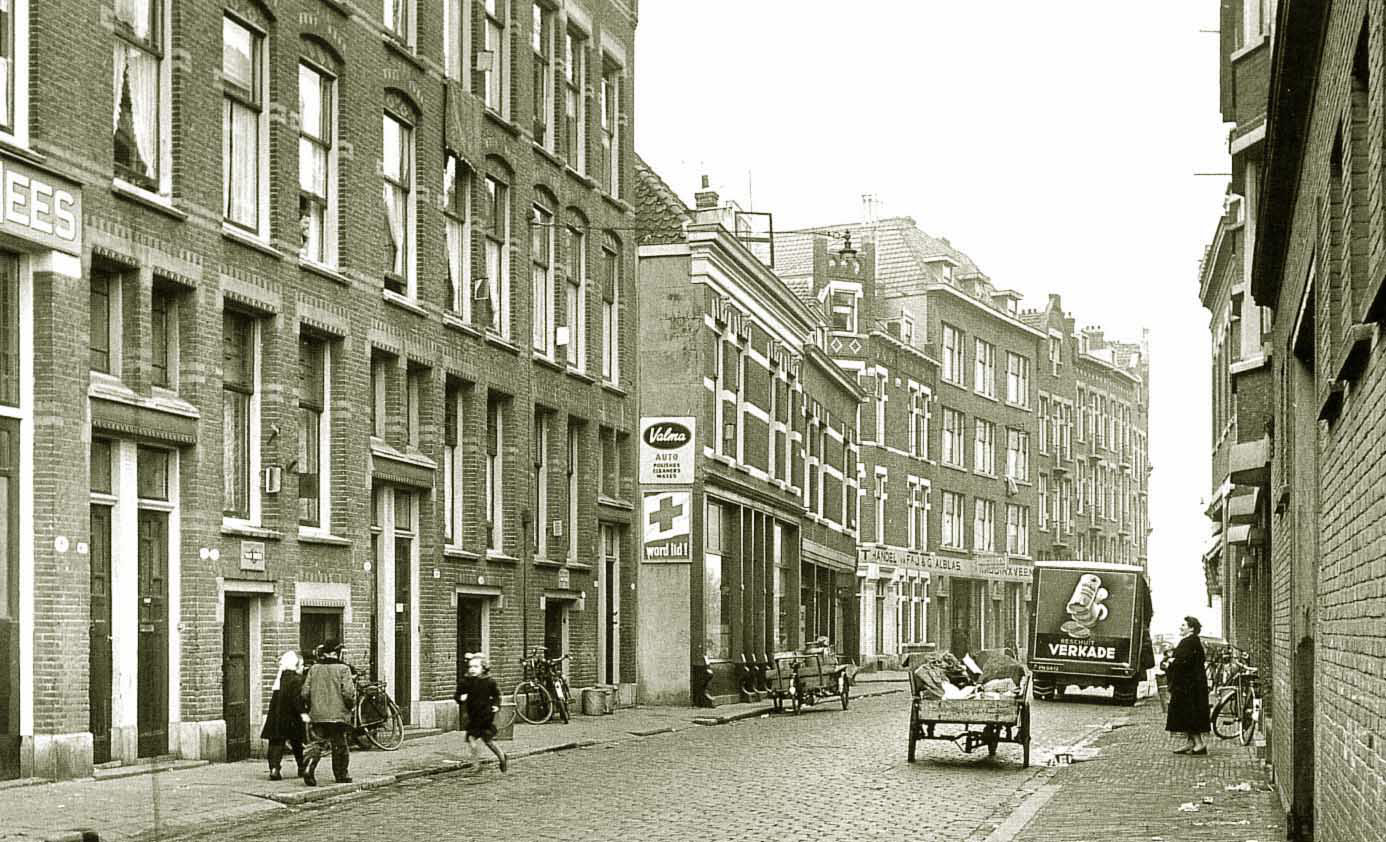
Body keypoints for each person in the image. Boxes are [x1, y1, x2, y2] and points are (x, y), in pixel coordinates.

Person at [299, 639, 356, 786]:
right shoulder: (343, 669)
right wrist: (350, 706)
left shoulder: (314, 668)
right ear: (337, 653)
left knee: (317, 743)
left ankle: (309, 768)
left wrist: (311, 706)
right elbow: (348, 693)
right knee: (339, 745)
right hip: (338, 715)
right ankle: (341, 775)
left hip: (317, 714)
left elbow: (305, 692)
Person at [1165, 616, 1211, 755]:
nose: (1181, 627)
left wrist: (1171, 662)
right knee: (1189, 712)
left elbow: (1184, 662)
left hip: (1188, 686)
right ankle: (1190, 743)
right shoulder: (1194, 641)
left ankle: (1199, 744)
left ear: (1191, 628)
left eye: (1184, 625)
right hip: (1193, 684)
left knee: (1189, 713)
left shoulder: (1188, 642)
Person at [453, 654, 507, 773]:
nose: (472, 669)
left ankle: (497, 758)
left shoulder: (489, 682)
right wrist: (460, 698)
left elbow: (497, 695)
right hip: (473, 716)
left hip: (485, 715)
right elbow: (457, 695)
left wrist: (496, 705)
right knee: (478, 741)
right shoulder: (465, 682)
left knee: (482, 740)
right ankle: (481, 764)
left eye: (476, 667)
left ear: (483, 668)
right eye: (470, 667)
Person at [260, 650, 307, 780]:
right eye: (301, 665)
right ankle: (302, 768)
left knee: (276, 741)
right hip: (292, 715)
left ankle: (274, 768)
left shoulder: (280, 677)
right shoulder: (297, 680)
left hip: (277, 713)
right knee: (297, 741)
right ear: (296, 665)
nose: (303, 668)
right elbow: (296, 699)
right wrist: (303, 713)